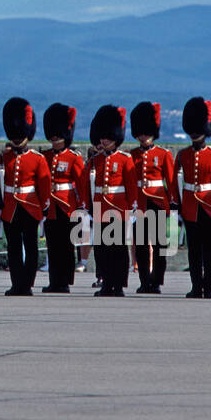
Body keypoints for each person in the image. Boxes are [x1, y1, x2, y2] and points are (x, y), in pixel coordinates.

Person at [0, 97, 52, 296]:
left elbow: (44, 185)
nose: (16, 138)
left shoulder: (37, 159)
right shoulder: (3, 158)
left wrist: (44, 207)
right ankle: (17, 283)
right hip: (10, 208)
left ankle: (27, 283)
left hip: (30, 207)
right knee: (14, 248)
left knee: (31, 248)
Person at [172, 97, 211, 299]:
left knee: (210, 250)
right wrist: (176, 208)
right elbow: (175, 183)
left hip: (208, 206)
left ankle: (209, 286)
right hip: (189, 206)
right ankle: (197, 285)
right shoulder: (183, 154)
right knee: (194, 250)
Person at [81, 105, 137, 297]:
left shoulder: (125, 160)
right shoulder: (95, 161)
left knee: (118, 249)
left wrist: (132, 210)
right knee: (102, 249)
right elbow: (87, 186)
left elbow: (130, 187)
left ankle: (118, 284)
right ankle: (106, 283)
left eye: (107, 137)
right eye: (102, 137)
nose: (104, 140)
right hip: (99, 208)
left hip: (119, 209)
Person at [129, 102, 175, 295]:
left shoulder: (163, 154)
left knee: (158, 245)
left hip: (157, 201)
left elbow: (171, 182)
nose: (143, 136)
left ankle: (156, 281)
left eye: (146, 132)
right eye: (140, 133)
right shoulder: (131, 155)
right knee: (140, 244)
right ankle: (144, 281)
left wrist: (173, 206)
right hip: (139, 202)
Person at [41, 103, 84, 293]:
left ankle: (65, 281)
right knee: (53, 245)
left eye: (57, 132)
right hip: (50, 206)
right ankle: (54, 280)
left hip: (67, 205)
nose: (54, 136)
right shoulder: (45, 156)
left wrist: (82, 207)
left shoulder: (73, 157)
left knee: (67, 246)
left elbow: (81, 184)